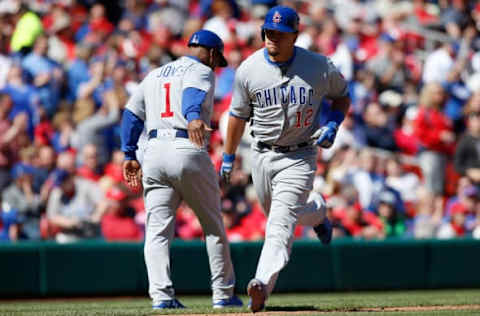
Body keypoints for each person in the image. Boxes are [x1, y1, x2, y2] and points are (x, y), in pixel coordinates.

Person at [220, 6, 350, 312]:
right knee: (281, 216)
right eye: (268, 32)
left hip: (300, 155)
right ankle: (317, 212)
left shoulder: (318, 66)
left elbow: (342, 96)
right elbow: (238, 116)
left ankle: (261, 284)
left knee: (279, 224)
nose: (272, 38)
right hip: (261, 154)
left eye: (279, 33)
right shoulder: (249, 69)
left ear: (295, 35)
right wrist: (228, 156)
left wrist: (332, 124)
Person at [120, 29, 242, 310]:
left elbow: (131, 114)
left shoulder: (154, 74)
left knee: (157, 232)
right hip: (186, 147)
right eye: (216, 59)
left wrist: (129, 153)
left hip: (152, 153)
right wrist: (192, 118)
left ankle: (161, 296)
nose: (216, 65)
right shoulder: (201, 68)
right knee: (212, 225)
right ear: (212, 54)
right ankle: (223, 294)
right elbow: (192, 96)